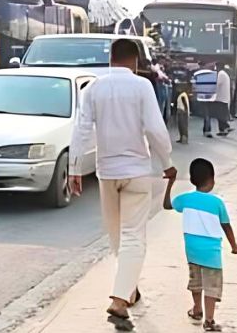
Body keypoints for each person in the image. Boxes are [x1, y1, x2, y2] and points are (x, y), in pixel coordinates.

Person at [69, 39, 176, 326]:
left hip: (107, 173)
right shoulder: (142, 86)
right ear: (136, 61)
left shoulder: (94, 87)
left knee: (117, 236)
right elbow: (155, 128)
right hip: (137, 171)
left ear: (111, 58)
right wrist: (167, 163)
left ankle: (129, 288)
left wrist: (74, 169)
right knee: (132, 237)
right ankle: (119, 300)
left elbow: (81, 129)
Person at [164, 158, 237, 332]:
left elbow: (167, 205)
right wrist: (234, 245)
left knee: (196, 281)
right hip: (211, 252)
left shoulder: (185, 199)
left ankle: (197, 309)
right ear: (212, 180)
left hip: (192, 251)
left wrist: (170, 184)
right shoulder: (217, 202)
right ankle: (209, 320)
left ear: (192, 180)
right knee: (212, 286)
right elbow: (226, 225)